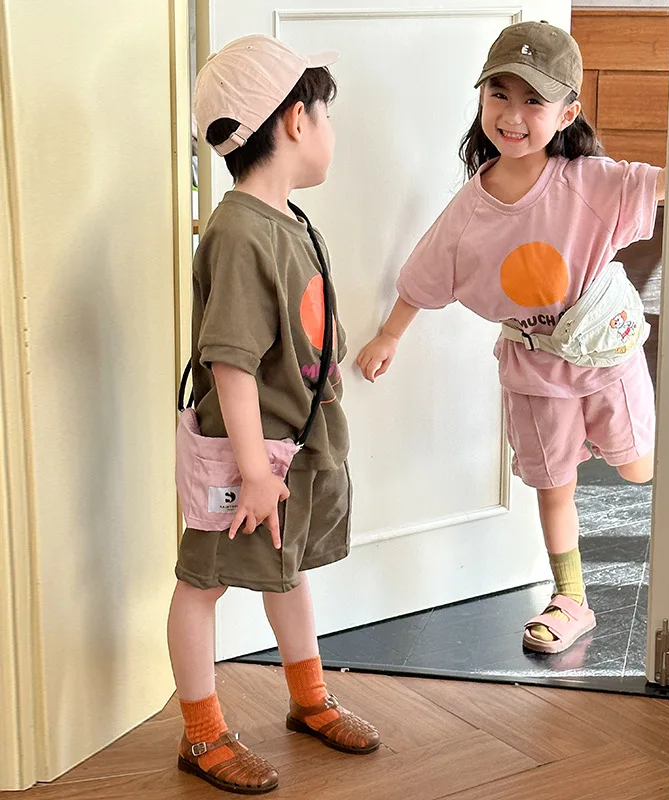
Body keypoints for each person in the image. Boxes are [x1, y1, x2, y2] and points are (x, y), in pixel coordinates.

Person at [357, 21, 665, 656]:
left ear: (567, 112)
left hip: (605, 355)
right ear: (481, 99)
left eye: (533, 100)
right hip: (532, 369)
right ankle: (571, 599)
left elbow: (661, 182)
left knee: (637, 472)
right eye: (500, 94)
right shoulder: (470, 207)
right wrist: (390, 334)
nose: (513, 114)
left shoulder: (589, 181)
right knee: (554, 487)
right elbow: (424, 272)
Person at [168, 34, 379, 795]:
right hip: (247, 456)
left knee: (284, 573)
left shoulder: (285, 219)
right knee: (204, 582)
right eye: (325, 114)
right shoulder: (239, 231)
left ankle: (308, 697)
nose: (329, 130)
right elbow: (230, 360)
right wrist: (254, 473)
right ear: (295, 121)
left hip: (290, 448)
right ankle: (202, 732)